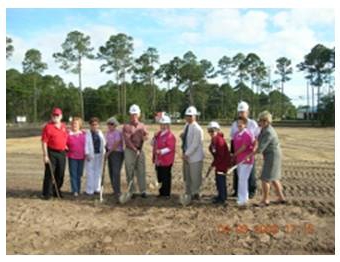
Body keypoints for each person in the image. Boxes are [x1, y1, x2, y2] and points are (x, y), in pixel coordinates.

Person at [249, 111, 286, 206]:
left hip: (272, 156)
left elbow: (260, 149)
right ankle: (281, 197)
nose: (259, 122)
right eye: (259, 120)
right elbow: (258, 139)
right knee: (274, 178)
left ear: (266, 121)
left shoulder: (268, 132)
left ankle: (265, 200)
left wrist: (251, 154)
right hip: (272, 155)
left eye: (261, 120)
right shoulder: (265, 129)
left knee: (265, 178)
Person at [230, 101, 259, 198]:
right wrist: (233, 153)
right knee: (237, 172)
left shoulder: (253, 124)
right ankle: (237, 190)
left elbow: (256, 138)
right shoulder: (235, 124)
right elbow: (232, 139)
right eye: (240, 112)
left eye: (243, 112)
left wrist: (254, 150)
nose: (241, 114)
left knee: (250, 172)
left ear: (247, 112)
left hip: (248, 152)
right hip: (237, 151)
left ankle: (251, 190)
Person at [41, 107, 68, 199]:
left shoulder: (64, 126)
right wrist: (45, 155)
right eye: (54, 115)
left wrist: (65, 145)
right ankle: (47, 193)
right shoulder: (48, 127)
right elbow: (44, 142)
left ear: (61, 116)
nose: (55, 116)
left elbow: (65, 137)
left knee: (60, 173)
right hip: (51, 152)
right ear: (51, 116)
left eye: (57, 115)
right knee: (49, 173)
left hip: (62, 153)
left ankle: (56, 190)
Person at [123, 104, 148, 198]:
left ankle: (143, 190)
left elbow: (146, 135)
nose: (134, 116)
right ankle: (131, 190)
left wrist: (145, 136)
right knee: (130, 171)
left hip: (140, 150)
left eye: (136, 114)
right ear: (130, 115)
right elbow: (127, 140)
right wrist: (134, 149)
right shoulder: (126, 126)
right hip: (130, 150)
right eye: (132, 114)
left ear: (139, 115)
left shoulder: (142, 125)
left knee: (141, 170)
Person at [181, 106, 204, 200]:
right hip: (186, 156)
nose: (188, 117)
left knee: (195, 177)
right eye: (187, 115)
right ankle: (188, 192)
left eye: (190, 116)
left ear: (195, 116)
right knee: (187, 176)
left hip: (195, 157)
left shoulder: (198, 129)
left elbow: (195, 144)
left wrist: (186, 154)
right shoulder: (186, 126)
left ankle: (196, 193)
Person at [151, 115, 176, 198]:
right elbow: (152, 143)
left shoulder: (170, 136)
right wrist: (154, 137)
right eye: (161, 124)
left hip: (166, 160)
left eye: (165, 124)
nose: (163, 126)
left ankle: (166, 194)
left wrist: (161, 151)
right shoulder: (158, 134)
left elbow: (171, 147)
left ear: (168, 125)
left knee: (166, 177)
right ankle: (161, 193)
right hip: (159, 160)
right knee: (160, 176)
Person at [232, 117, 255, 207]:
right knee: (240, 178)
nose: (239, 125)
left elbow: (244, 147)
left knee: (243, 179)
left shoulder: (247, 134)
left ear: (245, 124)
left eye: (241, 123)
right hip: (239, 160)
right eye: (238, 123)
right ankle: (241, 197)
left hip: (246, 160)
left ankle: (243, 199)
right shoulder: (236, 134)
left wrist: (234, 154)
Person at [207, 121, 232, 205]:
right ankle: (220, 196)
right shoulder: (214, 139)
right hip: (219, 164)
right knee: (218, 180)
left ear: (217, 130)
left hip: (222, 164)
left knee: (221, 181)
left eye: (213, 131)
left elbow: (220, 155)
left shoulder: (219, 140)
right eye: (210, 131)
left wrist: (212, 164)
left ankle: (222, 198)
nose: (211, 133)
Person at [85, 117, 106, 195]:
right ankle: (90, 190)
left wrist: (104, 152)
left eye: (96, 124)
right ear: (90, 125)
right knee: (90, 172)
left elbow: (103, 143)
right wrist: (86, 153)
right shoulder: (87, 134)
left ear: (98, 125)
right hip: (90, 155)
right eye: (93, 124)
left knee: (98, 172)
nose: (94, 126)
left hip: (99, 155)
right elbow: (86, 144)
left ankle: (97, 188)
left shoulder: (100, 133)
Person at [66, 117, 86, 197]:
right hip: (72, 157)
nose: (74, 125)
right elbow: (64, 142)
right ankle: (74, 190)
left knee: (79, 174)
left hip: (81, 157)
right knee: (73, 174)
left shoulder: (83, 134)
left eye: (76, 124)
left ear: (80, 125)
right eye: (73, 123)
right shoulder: (68, 134)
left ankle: (78, 189)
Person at [105, 116, 124, 199]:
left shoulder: (118, 133)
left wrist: (109, 152)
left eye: (112, 124)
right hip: (110, 153)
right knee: (111, 172)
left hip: (117, 153)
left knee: (116, 172)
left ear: (115, 125)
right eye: (109, 124)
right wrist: (106, 150)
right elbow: (107, 143)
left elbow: (116, 143)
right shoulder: (108, 133)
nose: (110, 125)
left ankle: (118, 191)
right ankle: (114, 190)